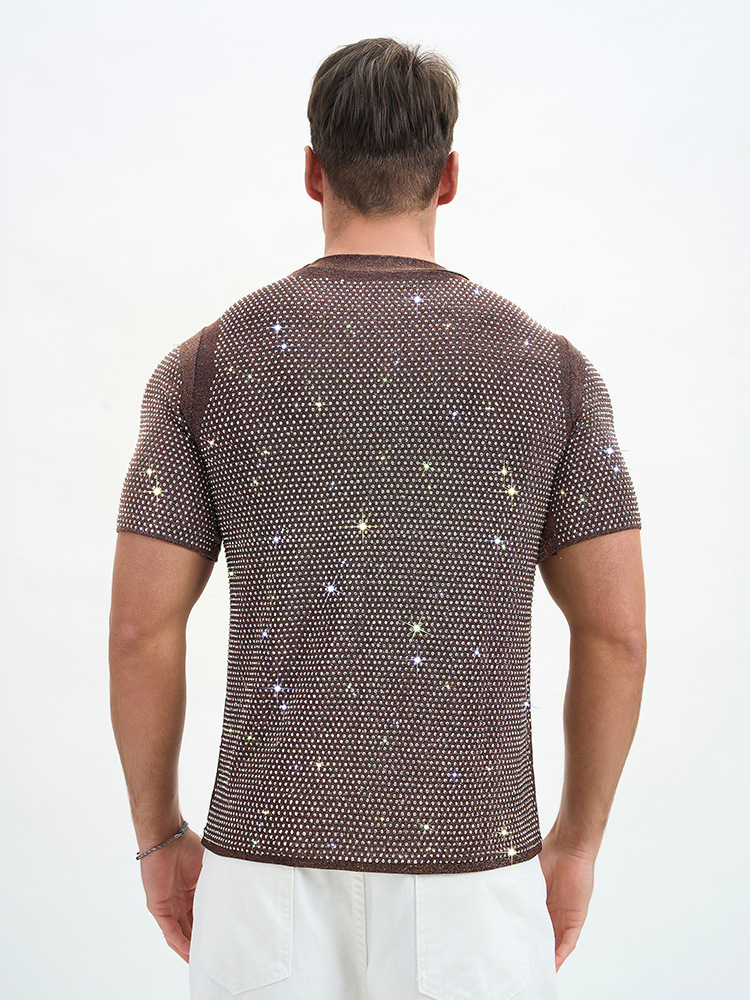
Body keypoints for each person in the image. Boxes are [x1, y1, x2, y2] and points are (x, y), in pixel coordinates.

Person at [109, 36, 647, 1000]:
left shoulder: (206, 367)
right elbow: (618, 635)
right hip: (476, 878)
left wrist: (158, 837)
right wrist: (575, 845)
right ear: (449, 178)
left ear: (313, 172)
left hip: (264, 873)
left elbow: (139, 630)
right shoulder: (551, 373)